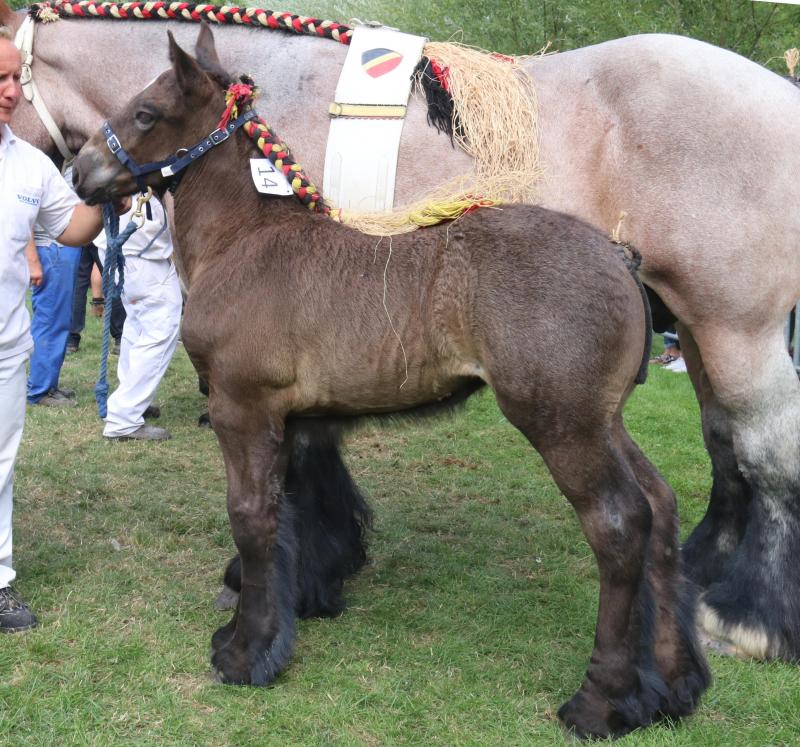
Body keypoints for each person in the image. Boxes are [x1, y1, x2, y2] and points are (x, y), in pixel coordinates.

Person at [1, 27, 120, 632]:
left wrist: (110, 187)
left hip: (5, 347)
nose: (12, 93)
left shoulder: (27, 164)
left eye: (15, 79)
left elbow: (72, 229)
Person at [98, 193, 181, 442]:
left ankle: (132, 401)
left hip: (121, 253)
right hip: (141, 257)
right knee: (159, 331)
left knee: (137, 326)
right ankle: (124, 418)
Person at [26, 217, 82, 407]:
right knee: (50, 319)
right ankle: (39, 390)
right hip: (52, 248)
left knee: (59, 318)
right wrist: (33, 259)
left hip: (60, 247)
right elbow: (25, 217)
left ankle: (48, 384)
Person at [66, 241, 125, 355]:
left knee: (78, 283)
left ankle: (71, 339)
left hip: (81, 234)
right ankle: (120, 337)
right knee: (111, 280)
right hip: (101, 235)